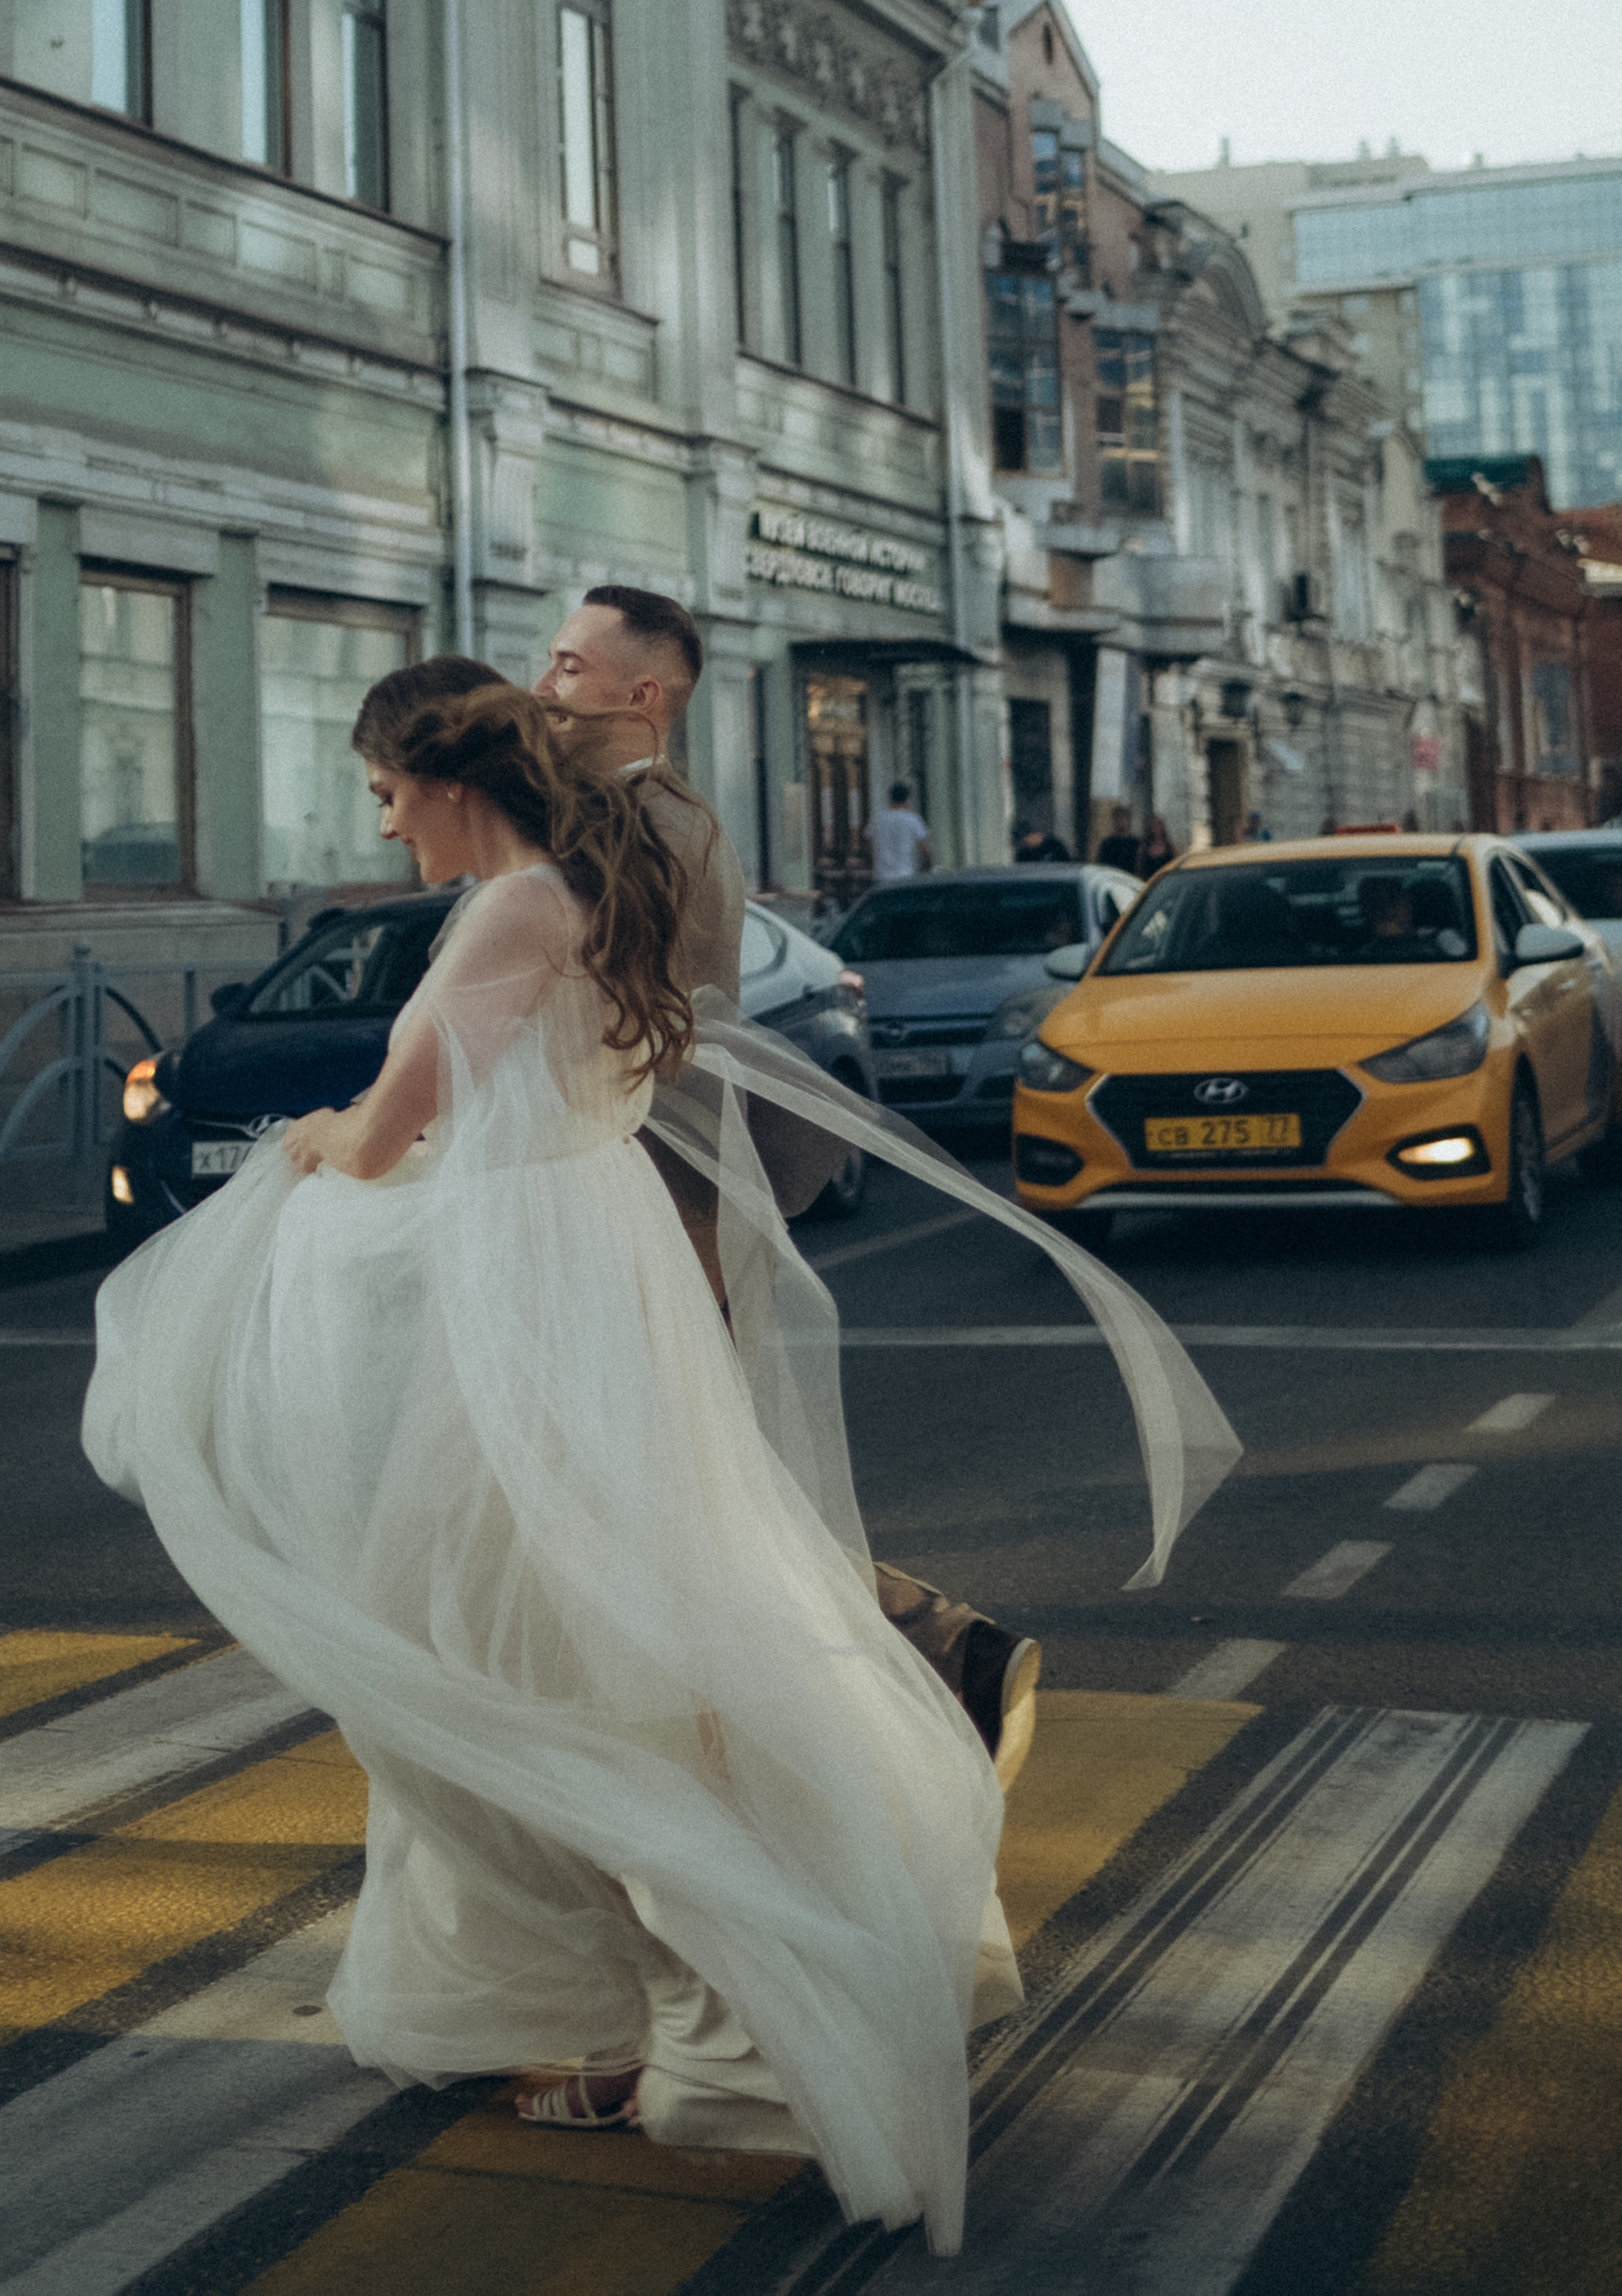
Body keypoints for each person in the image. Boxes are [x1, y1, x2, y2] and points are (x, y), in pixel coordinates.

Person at [84, 674, 1236, 2242]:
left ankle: (732, 2012)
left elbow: (380, 1138)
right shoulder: (573, 898)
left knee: (543, 1656)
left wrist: (308, 1141)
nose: (376, 822)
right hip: (584, 1269)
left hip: (535, 1304)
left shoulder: (501, 916)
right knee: (583, 1628)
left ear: (438, 777)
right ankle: (627, 1986)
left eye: (379, 789)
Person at [536, 589, 1038, 1781]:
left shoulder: (638, 829)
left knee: (670, 1502)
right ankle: (922, 1657)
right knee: (673, 1494)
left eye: (569, 665)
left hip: (651, 1197)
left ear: (639, 695)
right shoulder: (651, 818)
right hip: (658, 1194)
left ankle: (908, 1666)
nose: (544, 682)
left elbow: (621, 1037)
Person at [873, 778, 933, 879]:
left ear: (890, 798)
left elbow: (869, 843)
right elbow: (925, 848)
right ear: (907, 800)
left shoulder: (878, 819)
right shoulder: (913, 820)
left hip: (883, 875)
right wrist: (926, 867)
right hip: (907, 874)